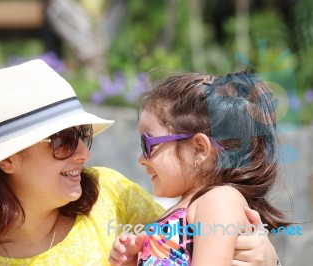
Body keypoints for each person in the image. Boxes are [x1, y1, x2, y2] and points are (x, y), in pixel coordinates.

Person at [0, 60, 278, 265]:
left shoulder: (111, 195)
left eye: (82, 134)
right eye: (62, 141)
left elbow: (187, 249)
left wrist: (267, 260)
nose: (83, 152)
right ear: (7, 160)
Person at [109, 71, 287, 265]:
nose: (141, 159)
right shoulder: (197, 206)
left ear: (199, 148)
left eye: (148, 145)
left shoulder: (219, 200)